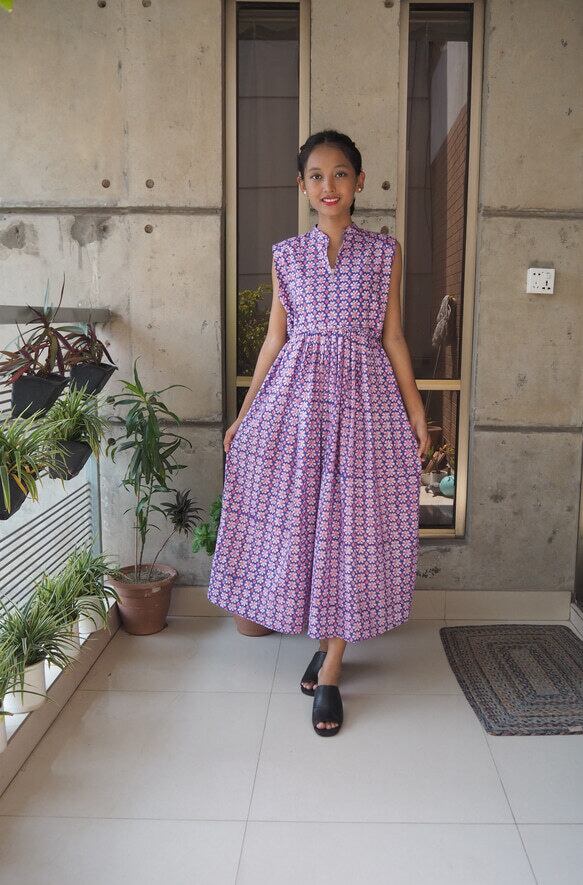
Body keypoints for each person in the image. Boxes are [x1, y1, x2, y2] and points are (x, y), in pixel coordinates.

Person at [207, 129, 429, 737]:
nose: (328, 186)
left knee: (349, 527)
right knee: (308, 523)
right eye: (316, 176)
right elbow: (275, 339)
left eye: (340, 174)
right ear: (302, 187)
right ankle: (326, 641)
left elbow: (393, 335)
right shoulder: (286, 255)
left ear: (359, 182)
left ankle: (331, 666)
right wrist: (246, 413)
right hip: (298, 405)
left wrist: (416, 411)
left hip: (364, 405)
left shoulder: (385, 252)